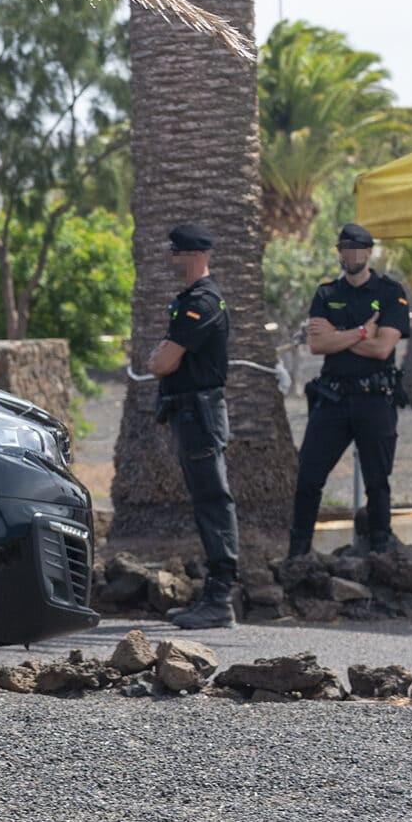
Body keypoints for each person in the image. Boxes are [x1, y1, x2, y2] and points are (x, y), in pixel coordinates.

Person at [289, 223, 412, 558]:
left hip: (374, 399)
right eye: (345, 247)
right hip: (333, 399)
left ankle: (380, 551)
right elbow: (317, 345)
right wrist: (359, 332)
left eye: (358, 248)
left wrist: (338, 336)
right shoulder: (327, 293)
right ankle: (298, 554)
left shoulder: (389, 292)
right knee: (309, 477)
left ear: (369, 252)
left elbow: (382, 350)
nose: (351, 254)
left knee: (377, 482)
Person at [148, 222, 240, 630]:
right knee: (207, 501)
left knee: (212, 502)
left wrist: (160, 357)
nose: (171, 259)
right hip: (190, 412)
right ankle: (215, 596)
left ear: (195, 255)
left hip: (199, 413)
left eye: (176, 253)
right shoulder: (190, 300)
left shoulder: (201, 302)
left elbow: (162, 362)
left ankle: (220, 599)